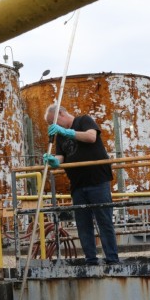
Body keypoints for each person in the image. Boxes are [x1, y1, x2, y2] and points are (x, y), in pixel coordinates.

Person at [42, 104, 119, 266]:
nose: (52, 126)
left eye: (52, 122)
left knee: (104, 221)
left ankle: (112, 259)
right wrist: (53, 161)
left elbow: (91, 137)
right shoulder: (60, 137)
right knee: (83, 225)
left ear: (61, 114)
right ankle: (90, 259)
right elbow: (61, 158)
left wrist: (67, 132)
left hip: (97, 180)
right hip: (77, 185)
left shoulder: (84, 120)